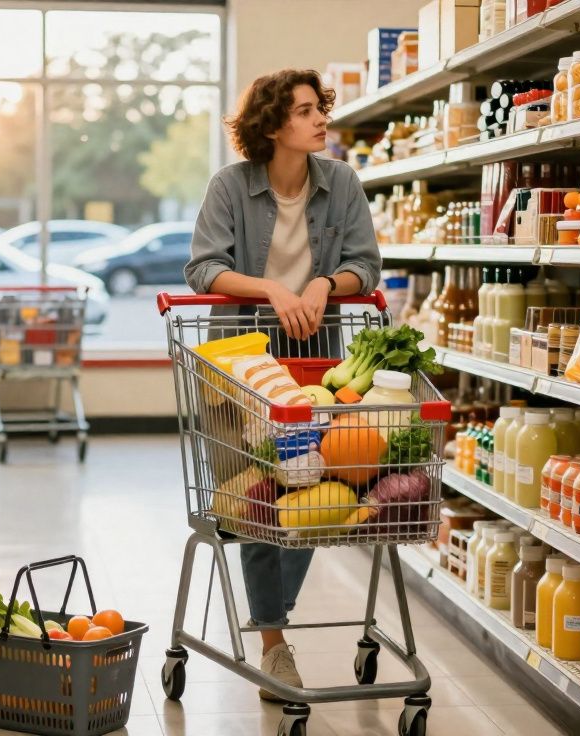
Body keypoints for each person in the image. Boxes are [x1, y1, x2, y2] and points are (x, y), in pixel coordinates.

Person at [184, 68, 381, 700]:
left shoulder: (342, 183)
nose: (321, 119)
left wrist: (324, 284)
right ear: (272, 125)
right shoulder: (230, 187)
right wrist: (270, 286)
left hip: (314, 364)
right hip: (239, 362)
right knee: (256, 498)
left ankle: (272, 619)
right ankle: (274, 644)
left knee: (309, 494)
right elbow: (203, 267)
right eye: (304, 111)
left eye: (319, 108)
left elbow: (365, 264)